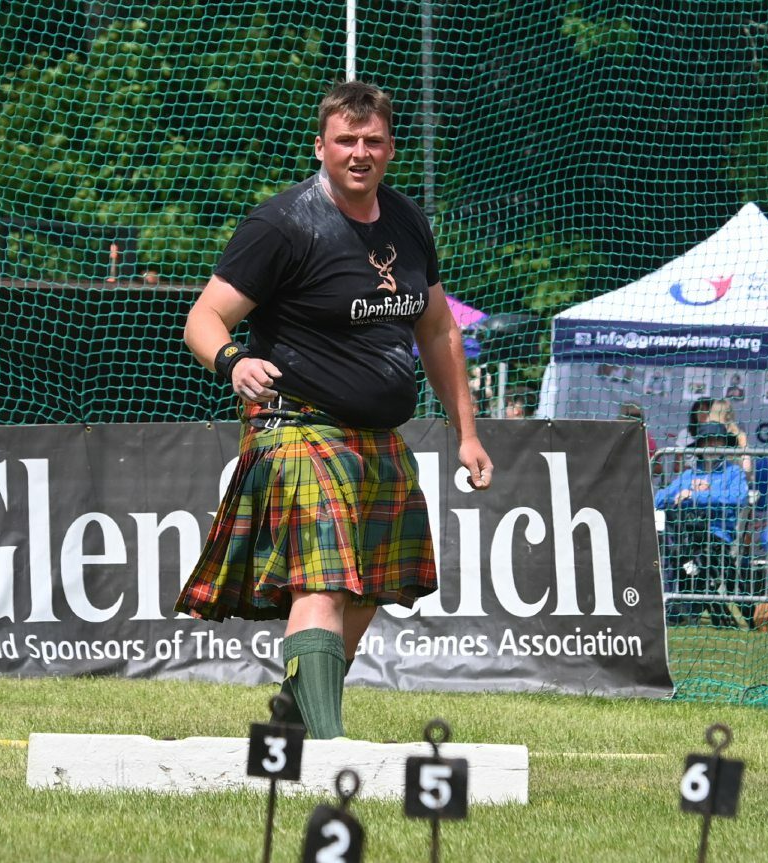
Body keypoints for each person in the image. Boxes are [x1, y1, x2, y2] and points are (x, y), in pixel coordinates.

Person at [173, 81, 492, 740]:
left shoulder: (407, 221)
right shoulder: (280, 225)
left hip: (377, 433)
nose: (359, 153)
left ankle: (291, 718)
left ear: (390, 148)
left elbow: (436, 329)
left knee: (366, 586)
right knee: (320, 579)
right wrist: (232, 360)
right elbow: (202, 317)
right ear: (321, 146)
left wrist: (467, 432)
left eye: (372, 140)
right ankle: (326, 746)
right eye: (345, 140)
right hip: (296, 424)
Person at [654, 422, 749, 627]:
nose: (712, 445)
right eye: (708, 441)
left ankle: (687, 614)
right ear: (701, 444)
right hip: (686, 536)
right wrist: (680, 495)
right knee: (674, 553)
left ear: (724, 445)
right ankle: (682, 613)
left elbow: (739, 497)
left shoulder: (733, 472)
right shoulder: (689, 475)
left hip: (717, 535)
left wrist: (699, 496)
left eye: (717, 441)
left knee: (697, 560)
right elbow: (659, 499)